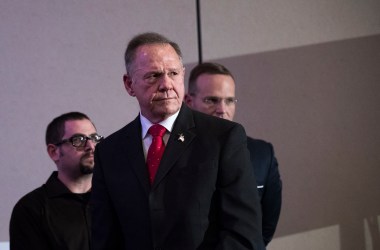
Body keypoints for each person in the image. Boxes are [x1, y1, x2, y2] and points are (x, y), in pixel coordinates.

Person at [91, 32, 265, 250]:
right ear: (129, 84)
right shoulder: (109, 152)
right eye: (153, 76)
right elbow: (104, 239)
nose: (166, 84)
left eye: (173, 73)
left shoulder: (223, 138)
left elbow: (243, 233)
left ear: (182, 75)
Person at [185, 62, 282, 246]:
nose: (222, 109)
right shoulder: (173, 154)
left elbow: (264, 228)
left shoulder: (262, 154)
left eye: (229, 100)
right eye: (211, 100)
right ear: (189, 102)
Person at [9, 112, 102, 250]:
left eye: (94, 138)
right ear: (54, 152)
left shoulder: (114, 199)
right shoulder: (31, 209)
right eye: (79, 140)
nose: (91, 147)